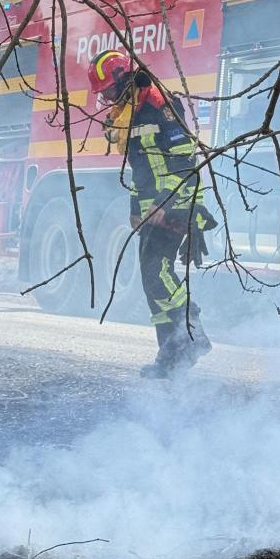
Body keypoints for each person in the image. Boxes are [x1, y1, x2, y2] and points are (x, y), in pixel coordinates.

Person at [87, 49, 216, 378]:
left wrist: (163, 201)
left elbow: (185, 161)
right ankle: (170, 357)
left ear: (124, 80)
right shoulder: (127, 112)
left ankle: (193, 332)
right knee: (150, 277)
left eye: (108, 91)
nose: (106, 98)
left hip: (177, 201)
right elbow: (140, 170)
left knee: (157, 271)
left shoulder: (160, 105)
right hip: (152, 207)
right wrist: (135, 207)